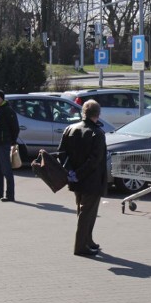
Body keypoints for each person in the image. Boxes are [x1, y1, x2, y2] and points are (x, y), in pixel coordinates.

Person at [57, 99, 108, 257]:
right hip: (91, 180)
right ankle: (80, 246)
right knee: (87, 213)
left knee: (84, 211)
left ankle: (88, 240)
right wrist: (79, 173)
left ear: (83, 112)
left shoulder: (70, 129)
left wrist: (72, 171)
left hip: (76, 179)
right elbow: (95, 159)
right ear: (97, 115)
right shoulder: (97, 133)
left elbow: (61, 153)